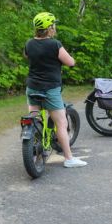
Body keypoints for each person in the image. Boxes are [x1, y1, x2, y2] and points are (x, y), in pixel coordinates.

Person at [24, 12, 87, 168]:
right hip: (50, 89)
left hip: (32, 87)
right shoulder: (54, 44)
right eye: (53, 25)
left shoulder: (29, 43)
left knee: (33, 118)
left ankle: (34, 145)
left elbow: (27, 56)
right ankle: (69, 159)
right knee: (61, 123)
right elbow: (70, 62)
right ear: (49, 28)